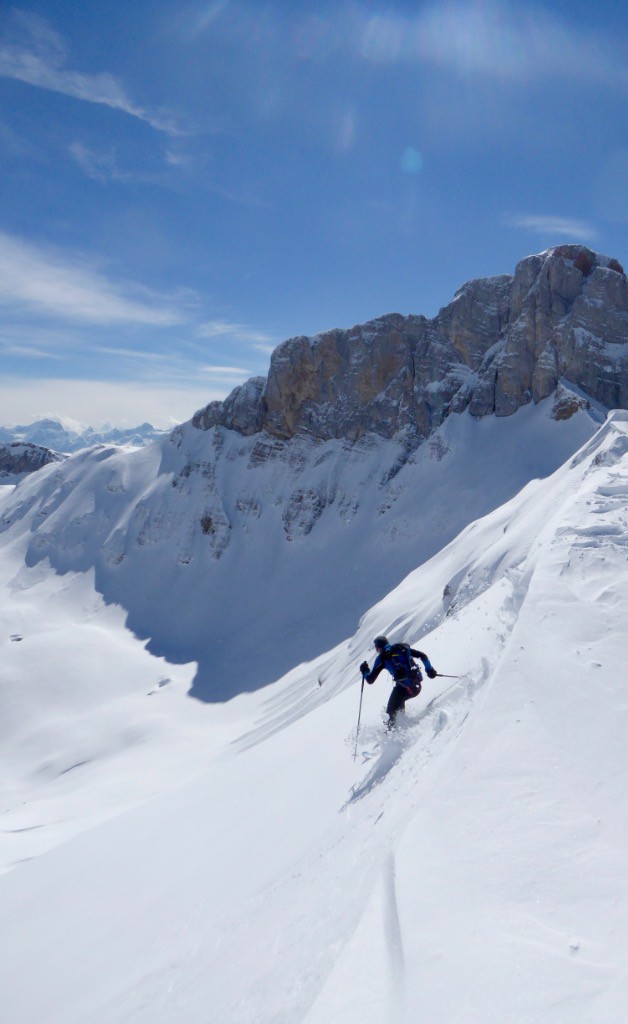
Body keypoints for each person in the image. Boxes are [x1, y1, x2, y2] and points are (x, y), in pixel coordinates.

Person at [360, 635, 437, 729]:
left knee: (390, 714)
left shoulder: (381, 659)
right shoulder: (402, 648)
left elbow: (370, 680)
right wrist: (430, 671)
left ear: (379, 648)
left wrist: (365, 671)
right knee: (398, 705)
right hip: (416, 687)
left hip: (403, 689)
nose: (377, 651)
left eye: (377, 649)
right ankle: (403, 727)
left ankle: (393, 735)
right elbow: (423, 656)